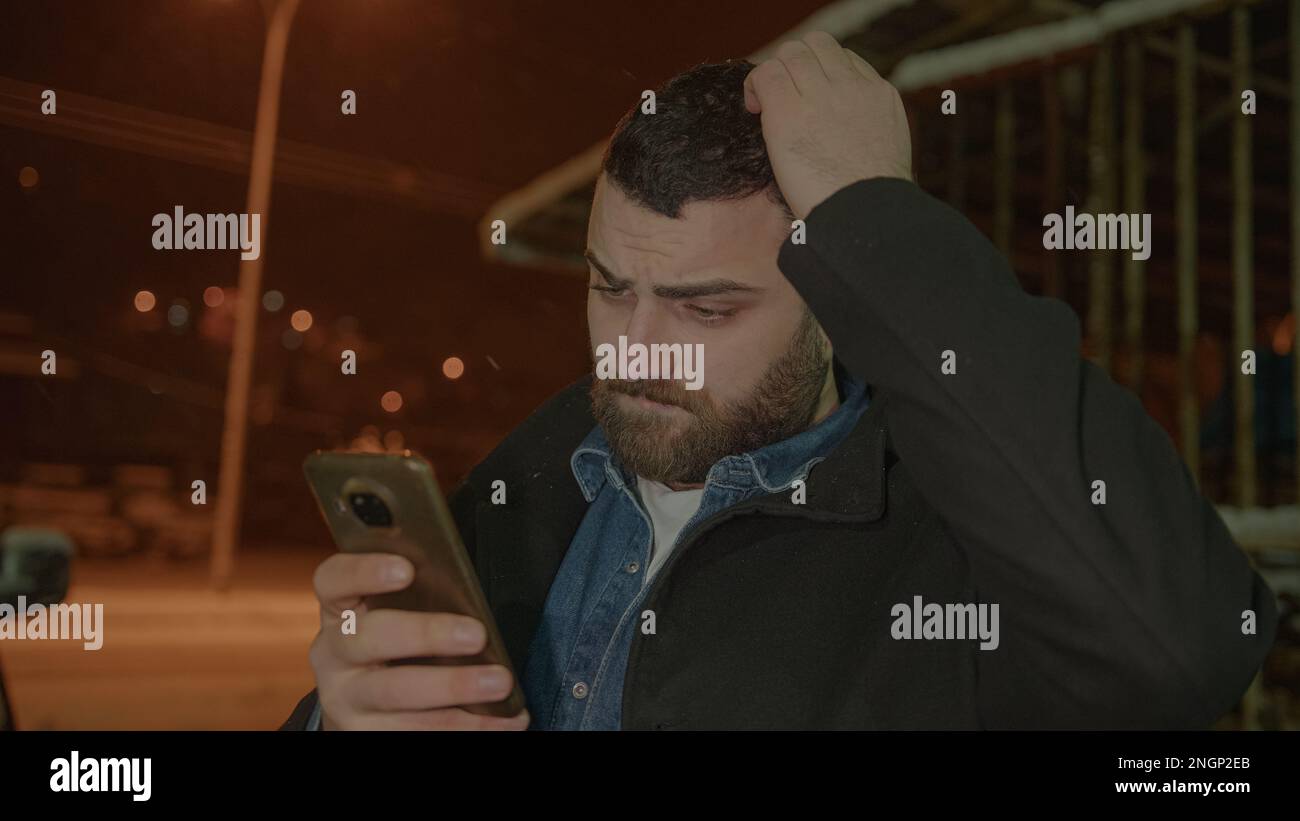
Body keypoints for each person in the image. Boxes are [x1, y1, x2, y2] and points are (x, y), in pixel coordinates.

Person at [282, 32, 1276, 730]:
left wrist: (871, 211)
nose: (635, 349)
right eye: (607, 286)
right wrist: (343, 716)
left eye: (705, 308)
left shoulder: (946, 540)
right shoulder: (539, 471)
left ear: (837, 292)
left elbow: (1177, 650)